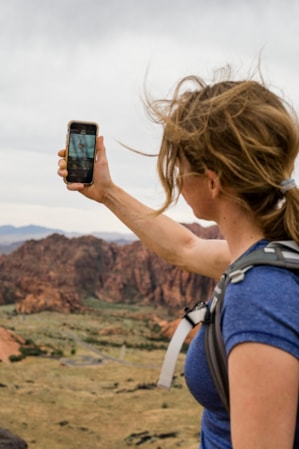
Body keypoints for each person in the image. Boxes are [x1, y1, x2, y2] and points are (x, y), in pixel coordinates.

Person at [57, 70, 299, 449]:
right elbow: (185, 249)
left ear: (213, 181)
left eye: (179, 165)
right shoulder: (274, 256)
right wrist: (105, 191)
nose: (176, 176)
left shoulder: (259, 296)